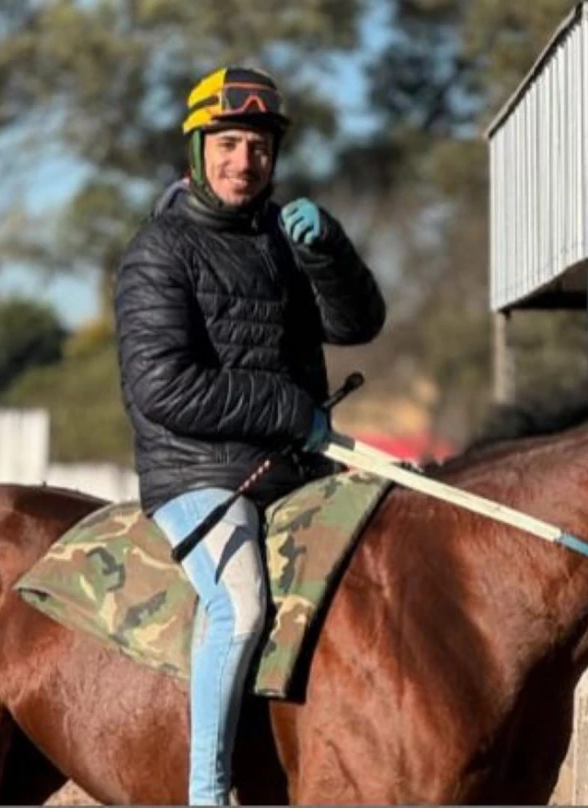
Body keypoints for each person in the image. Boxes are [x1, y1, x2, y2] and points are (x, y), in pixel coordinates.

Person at [113, 65, 386, 805]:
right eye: (228, 143)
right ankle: (207, 790)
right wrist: (290, 410)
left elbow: (358, 324)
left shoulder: (281, 239)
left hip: (294, 468)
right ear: (198, 148)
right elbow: (162, 387)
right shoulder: (157, 253)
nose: (244, 162)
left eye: (259, 147)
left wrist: (329, 252)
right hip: (197, 475)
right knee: (241, 603)